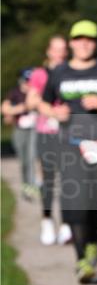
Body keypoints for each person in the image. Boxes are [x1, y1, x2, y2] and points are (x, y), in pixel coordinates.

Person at [38, 21, 97, 283]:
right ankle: (81, 261)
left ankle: (92, 239)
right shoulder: (60, 72)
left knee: (93, 204)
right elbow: (43, 103)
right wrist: (54, 112)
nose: (84, 44)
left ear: (96, 43)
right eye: (79, 39)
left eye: (89, 39)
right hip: (70, 145)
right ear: (71, 43)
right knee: (75, 204)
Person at [25, 34, 72, 245]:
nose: (60, 53)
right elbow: (31, 101)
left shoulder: (72, 72)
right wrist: (52, 112)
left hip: (69, 133)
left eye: (63, 49)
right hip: (46, 132)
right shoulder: (39, 74)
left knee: (69, 179)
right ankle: (47, 220)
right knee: (49, 180)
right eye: (56, 49)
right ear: (49, 51)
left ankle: (66, 224)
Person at [2, 68, 38, 199]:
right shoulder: (14, 93)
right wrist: (21, 108)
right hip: (20, 130)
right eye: (27, 81)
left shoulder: (37, 92)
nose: (29, 83)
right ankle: (26, 185)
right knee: (24, 161)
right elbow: (5, 109)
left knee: (32, 158)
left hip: (35, 130)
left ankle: (33, 185)